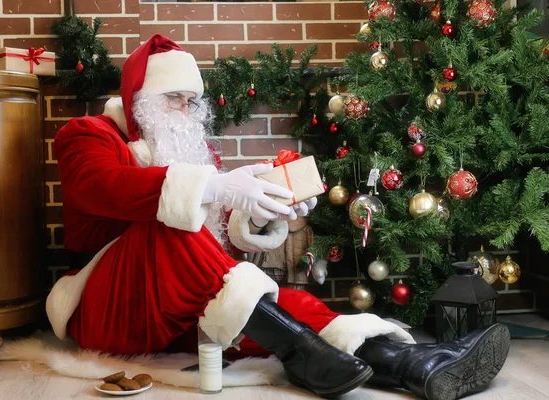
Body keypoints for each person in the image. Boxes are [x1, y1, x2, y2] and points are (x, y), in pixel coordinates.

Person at [46, 34, 510, 400]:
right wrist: (214, 185)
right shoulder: (89, 134)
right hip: (109, 310)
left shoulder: (192, 152)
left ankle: (411, 366)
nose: (185, 112)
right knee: (170, 226)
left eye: (192, 101)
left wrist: (263, 210)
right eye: (173, 99)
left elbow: (213, 254)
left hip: (173, 313)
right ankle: (300, 352)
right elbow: (99, 187)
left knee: (284, 306)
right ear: (140, 99)